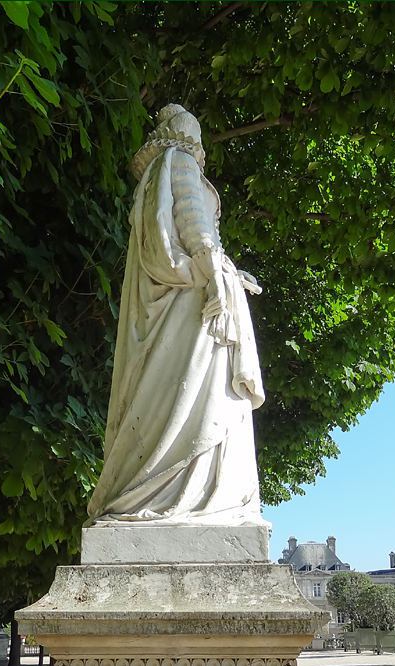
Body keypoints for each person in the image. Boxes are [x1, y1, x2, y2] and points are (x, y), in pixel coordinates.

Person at [87, 104, 265, 525]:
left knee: (169, 403)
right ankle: (197, 497)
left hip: (176, 298)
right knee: (202, 404)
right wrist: (218, 275)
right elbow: (193, 225)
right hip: (195, 302)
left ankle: (167, 491)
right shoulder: (179, 161)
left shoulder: (152, 177)